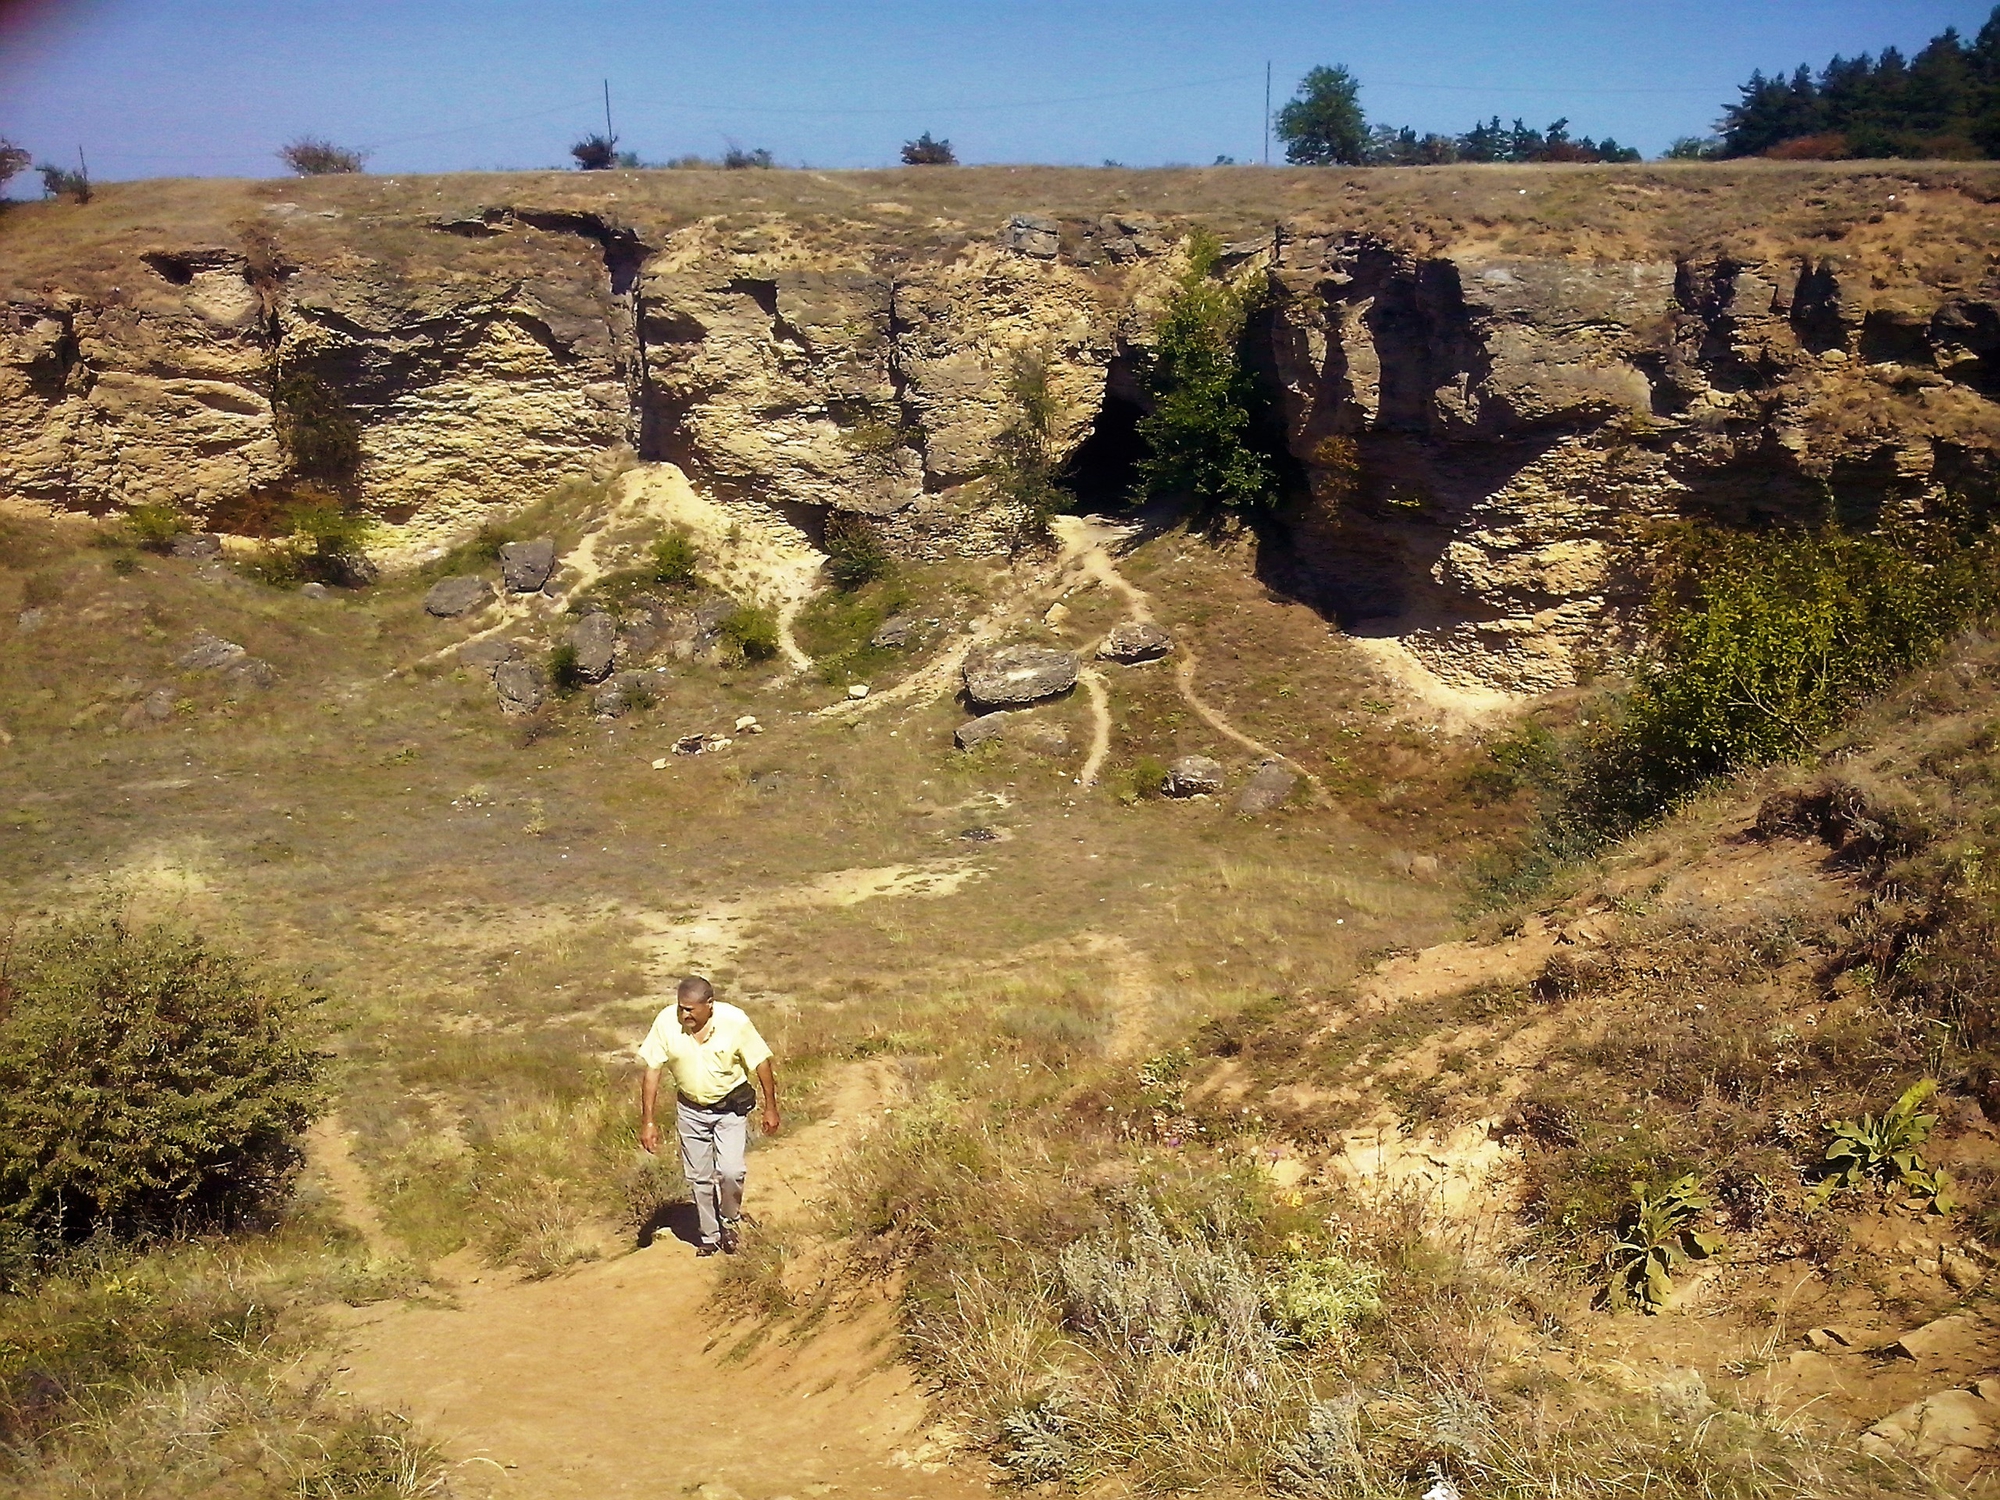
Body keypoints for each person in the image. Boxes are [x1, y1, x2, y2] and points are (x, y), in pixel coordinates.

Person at [637, 975, 782, 1256]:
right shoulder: (666, 1023)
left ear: (710, 1005)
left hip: (729, 1110)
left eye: (691, 1009)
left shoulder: (735, 1022)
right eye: (681, 1008)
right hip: (691, 1110)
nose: (684, 1015)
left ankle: (730, 1221)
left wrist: (771, 1106)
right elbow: (652, 1070)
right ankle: (710, 1236)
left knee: (731, 1171)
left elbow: (761, 1062)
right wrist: (649, 1121)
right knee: (699, 1178)